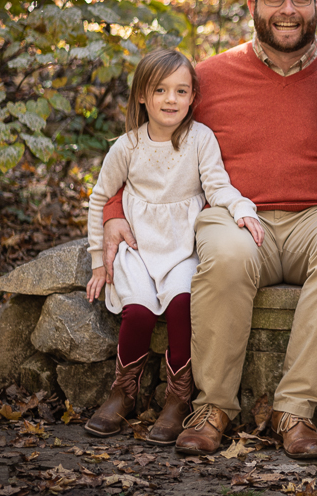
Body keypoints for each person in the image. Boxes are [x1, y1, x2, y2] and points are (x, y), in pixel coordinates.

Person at [100, 0, 317, 459]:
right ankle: (212, 406)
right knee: (223, 252)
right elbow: (144, 146)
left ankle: (295, 410)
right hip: (236, 212)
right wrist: (114, 211)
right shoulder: (207, 77)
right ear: (252, 6)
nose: (288, 10)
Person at [84, 48, 264, 445]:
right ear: (142, 97)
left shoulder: (201, 139)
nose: (171, 99)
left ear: (192, 97)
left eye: (181, 91)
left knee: (184, 303)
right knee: (140, 313)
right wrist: (100, 261)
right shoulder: (127, 146)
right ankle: (122, 392)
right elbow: (101, 197)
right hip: (137, 248)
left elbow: (217, 185)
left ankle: (177, 398)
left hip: (182, 248)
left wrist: (241, 209)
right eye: (160, 90)